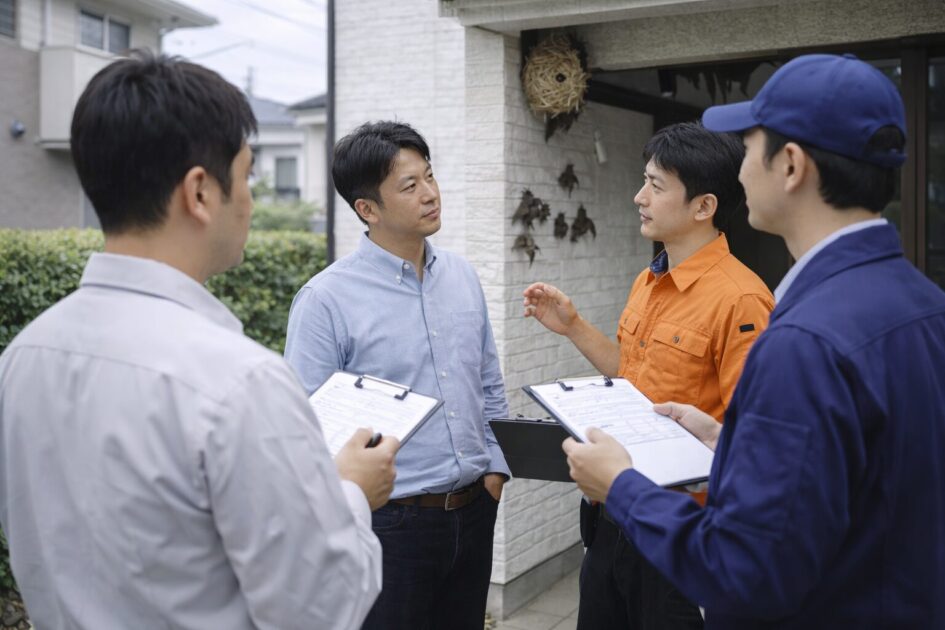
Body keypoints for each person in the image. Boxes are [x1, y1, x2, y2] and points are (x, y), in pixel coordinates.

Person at [0, 53, 398, 630]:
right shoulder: (239, 381)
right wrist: (352, 491)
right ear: (200, 193)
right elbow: (320, 607)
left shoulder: (24, 356)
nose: (251, 201)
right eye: (246, 176)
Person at [563, 53, 945, 629]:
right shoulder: (926, 305)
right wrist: (731, 443)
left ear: (790, 165)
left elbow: (742, 568)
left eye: (748, 146)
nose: (740, 171)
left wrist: (620, 486)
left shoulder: (803, 339)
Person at [523, 121, 774, 630]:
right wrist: (572, 327)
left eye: (656, 186)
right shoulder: (648, 278)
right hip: (612, 512)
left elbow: (751, 439)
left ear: (703, 206)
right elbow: (631, 376)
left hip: (680, 529)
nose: (640, 197)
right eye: (645, 181)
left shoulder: (742, 299)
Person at [284, 121, 510, 630]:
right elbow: (306, 431)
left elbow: (487, 382)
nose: (430, 193)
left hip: (474, 510)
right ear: (368, 209)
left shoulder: (462, 276)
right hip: (389, 525)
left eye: (429, 176)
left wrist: (495, 472)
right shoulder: (325, 300)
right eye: (410, 186)